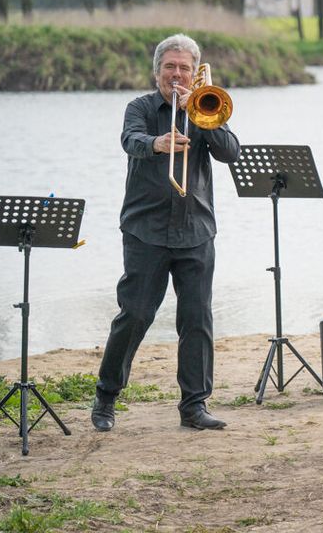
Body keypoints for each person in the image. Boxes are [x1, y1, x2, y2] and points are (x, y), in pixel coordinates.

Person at [91, 33, 241, 432]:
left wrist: (205, 112)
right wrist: (157, 143)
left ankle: (195, 405)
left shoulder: (205, 105)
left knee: (196, 319)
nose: (177, 74)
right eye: (170, 67)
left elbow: (231, 152)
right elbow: (131, 140)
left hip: (196, 230)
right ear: (157, 70)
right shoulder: (139, 107)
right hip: (146, 231)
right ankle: (106, 395)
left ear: (195, 73)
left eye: (184, 68)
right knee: (135, 314)